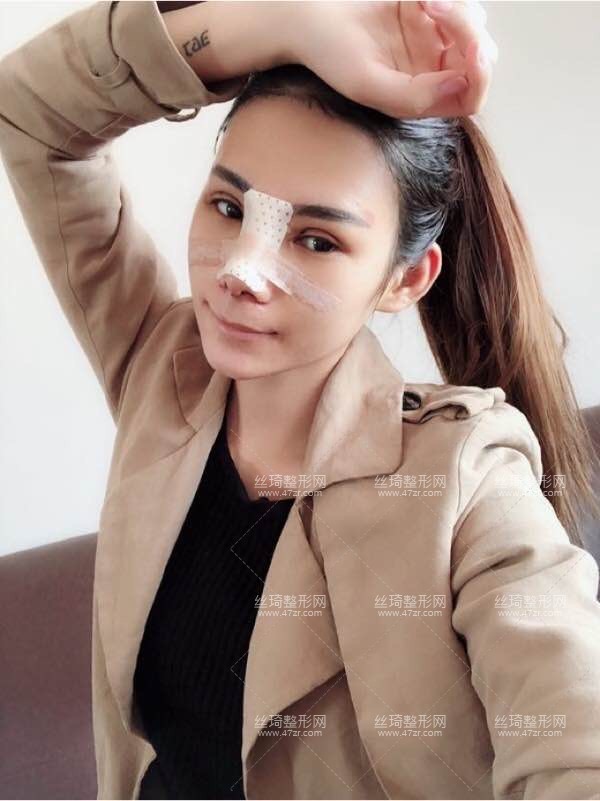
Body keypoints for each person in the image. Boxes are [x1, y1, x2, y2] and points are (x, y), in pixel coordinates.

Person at [2, 1, 600, 799]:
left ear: (404, 279)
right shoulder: (162, 366)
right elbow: (33, 112)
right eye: (230, 208)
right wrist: (282, 24)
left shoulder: (466, 479)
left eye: (315, 240)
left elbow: (573, 740)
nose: (241, 273)